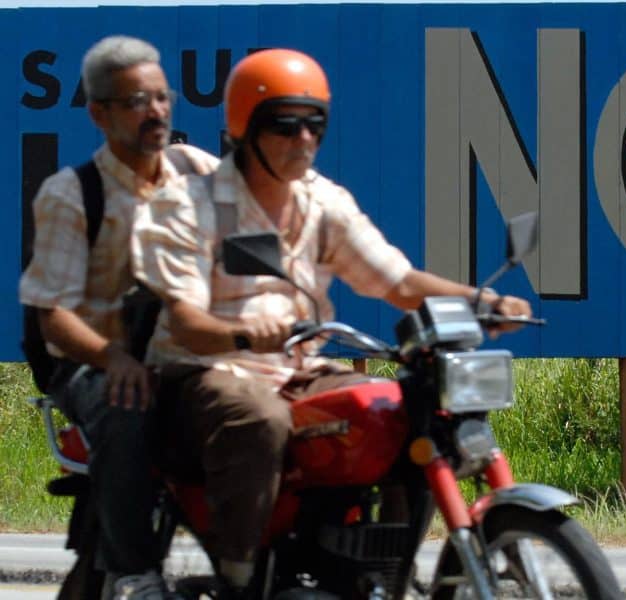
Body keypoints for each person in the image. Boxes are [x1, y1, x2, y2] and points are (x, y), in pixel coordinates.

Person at [130, 48, 532, 596]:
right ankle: (240, 578)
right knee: (259, 420)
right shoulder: (189, 207)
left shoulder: (323, 203)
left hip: (299, 368)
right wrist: (246, 334)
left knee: (395, 411)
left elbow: (398, 282)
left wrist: (482, 300)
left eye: (315, 124)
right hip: (201, 371)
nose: (304, 140)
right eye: (286, 125)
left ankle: (377, 575)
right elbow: (185, 322)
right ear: (246, 127)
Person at [18, 35, 217, 599]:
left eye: (159, 98)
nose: (152, 111)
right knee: (126, 398)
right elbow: (53, 319)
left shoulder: (199, 171)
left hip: (179, 351)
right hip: (91, 363)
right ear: (100, 115)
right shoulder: (73, 196)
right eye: (134, 101)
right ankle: (136, 573)